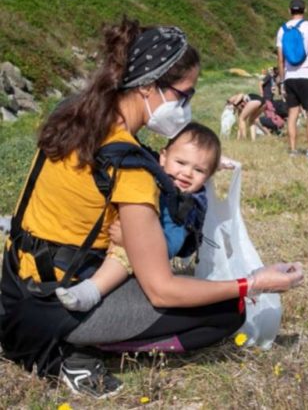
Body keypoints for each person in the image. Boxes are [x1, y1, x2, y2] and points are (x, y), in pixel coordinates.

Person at [0, 18, 304, 398]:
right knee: (228, 311)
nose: (187, 106)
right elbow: (161, 290)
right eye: (184, 94)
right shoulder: (130, 167)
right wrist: (253, 282)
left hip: (15, 289)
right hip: (51, 310)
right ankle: (71, 354)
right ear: (148, 85)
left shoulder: (75, 114)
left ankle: (64, 339)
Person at [55, 122, 220, 312]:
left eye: (199, 170)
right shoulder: (155, 173)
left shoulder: (182, 206)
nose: (187, 173)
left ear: (207, 177)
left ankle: (91, 292)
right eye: (181, 163)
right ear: (163, 157)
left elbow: (170, 247)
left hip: (143, 254)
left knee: (122, 255)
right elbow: (137, 150)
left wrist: (129, 241)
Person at [276, 0, 308, 159]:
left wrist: (282, 80)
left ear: (290, 11)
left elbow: (280, 58)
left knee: (292, 113)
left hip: (290, 76)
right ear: (305, 10)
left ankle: (293, 149)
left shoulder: (282, 30)